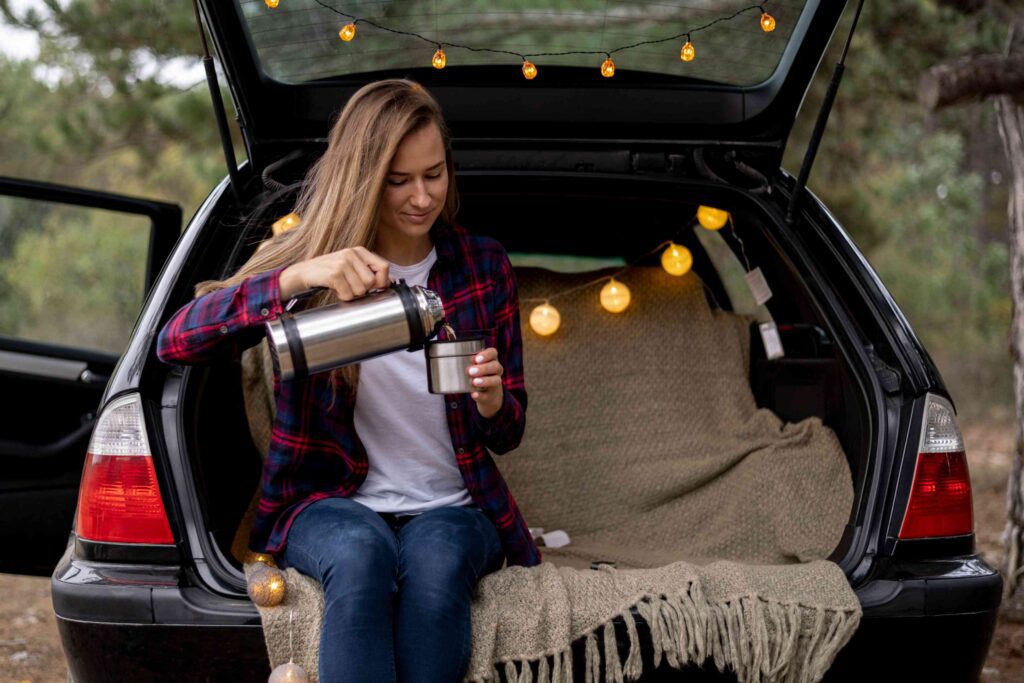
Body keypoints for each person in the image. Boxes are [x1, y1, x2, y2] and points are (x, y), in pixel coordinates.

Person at [155, 78, 540, 683]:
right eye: (398, 180)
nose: (421, 197)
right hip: (329, 502)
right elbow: (176, 338)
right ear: (364, 177)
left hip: (453, 505)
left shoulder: (481, 265)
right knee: (362, 555)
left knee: (435, 566)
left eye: (434, 175)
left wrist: (493, 401)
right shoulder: (312, 261)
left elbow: (510, 429)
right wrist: (299, 274)